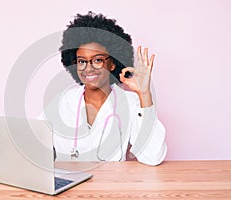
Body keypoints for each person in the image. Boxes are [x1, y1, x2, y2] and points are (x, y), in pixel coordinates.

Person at [42, 11, 167, 166]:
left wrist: (144, 93)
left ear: (112, 63)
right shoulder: (63, 102)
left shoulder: (131, 103)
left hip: (111, 186)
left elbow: (153, 157)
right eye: (82, 61)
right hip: (69, 186)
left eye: (98, 60)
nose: (88, 68)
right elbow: (34, 146)